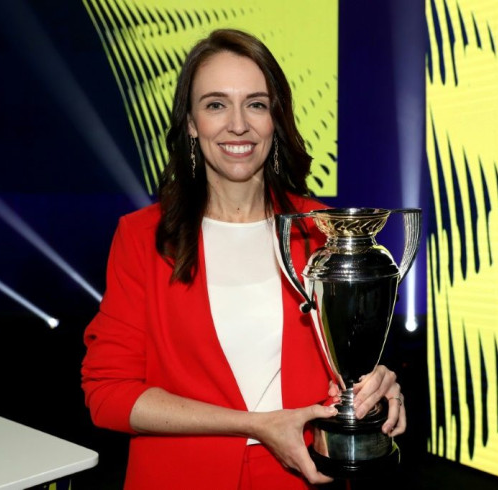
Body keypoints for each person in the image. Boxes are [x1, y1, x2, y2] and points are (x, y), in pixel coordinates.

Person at [81, 28, 406, 490]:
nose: (239, 124)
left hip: (305, 480)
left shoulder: (323, 229)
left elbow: (347, 364)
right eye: (216, 104)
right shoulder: (142, 237)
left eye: (256, 103)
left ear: (276, 117)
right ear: (191, 123)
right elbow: (108, 395)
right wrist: (254, 424)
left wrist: (374, 386)